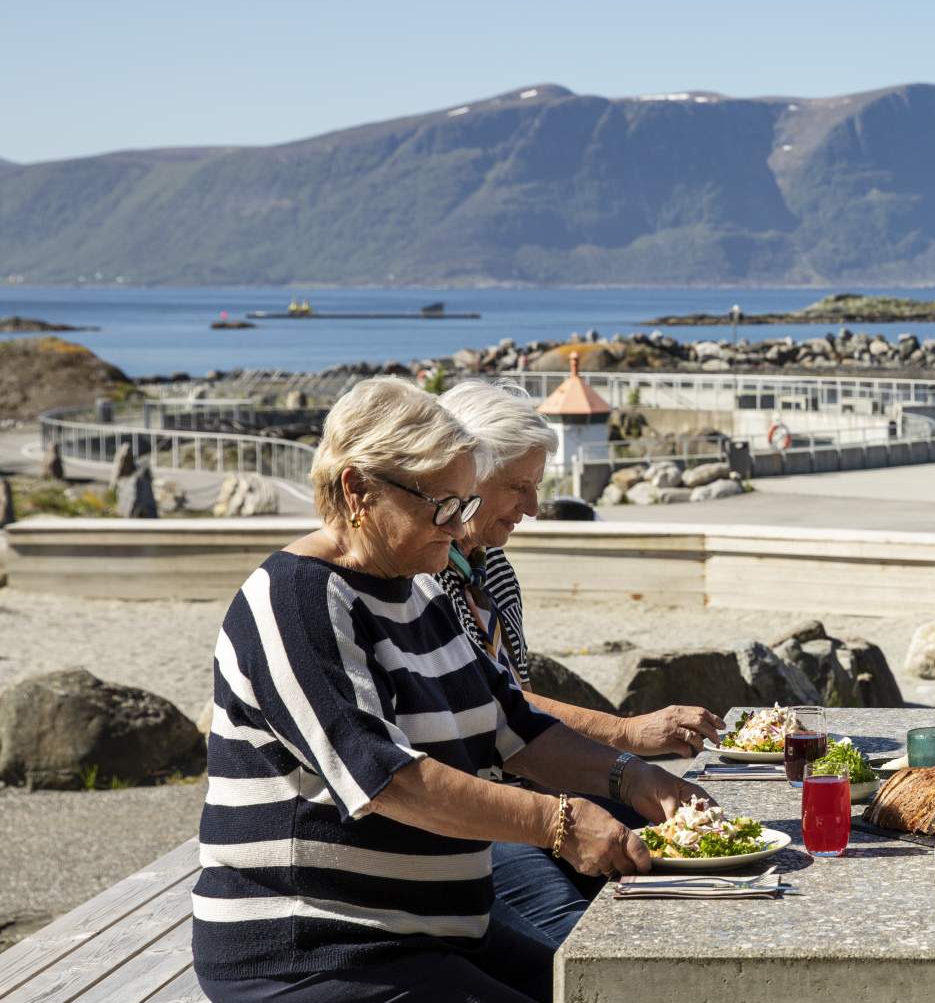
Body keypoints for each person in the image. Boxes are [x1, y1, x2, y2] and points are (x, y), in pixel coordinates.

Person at [192, 378, 701, 1003]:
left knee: (614, 989)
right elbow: (386, 777)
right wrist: (559, 824)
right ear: (358, 490)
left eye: (465, 504)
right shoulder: (294, 599)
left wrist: (633, 777)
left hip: (431, 932)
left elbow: (515, 726)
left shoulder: (417, 589)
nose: (459, 526)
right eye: (442, 506)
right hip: (317, 946)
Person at [435, 379, 724, 948]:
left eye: (536, 488)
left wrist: (625, 771)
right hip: (473, 808)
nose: (533, 508)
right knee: (579, 934)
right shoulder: (421, 580)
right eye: (518, 487)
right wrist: (627, 738)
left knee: (694, 847)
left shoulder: (493, 570)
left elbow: (516, 708)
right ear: (464, 476)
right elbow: (495, 706)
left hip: (531, 784)